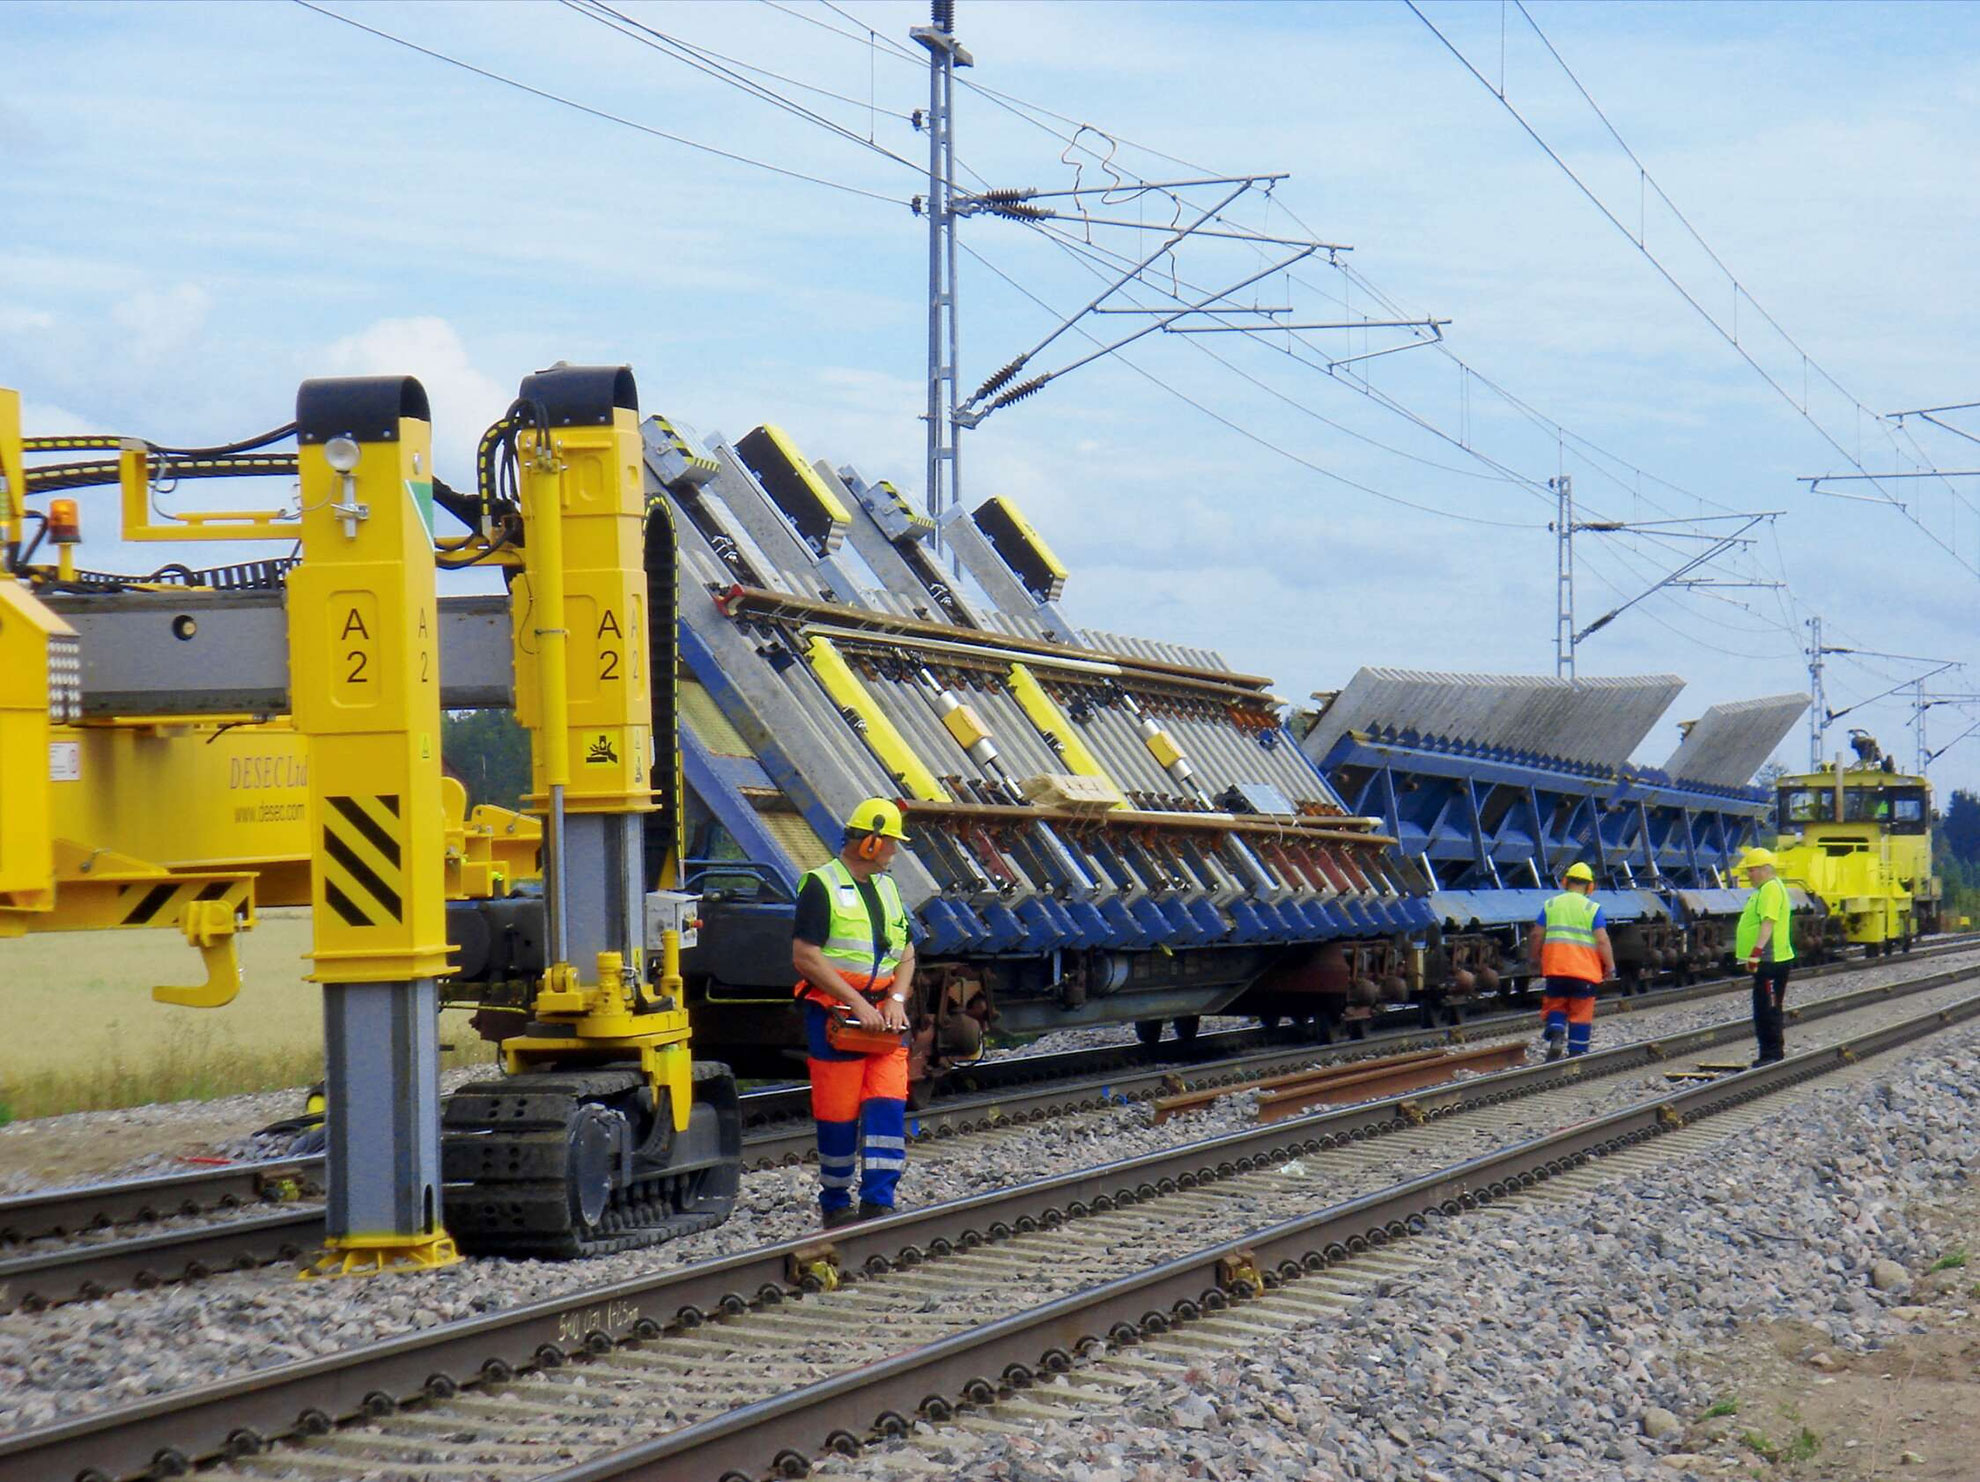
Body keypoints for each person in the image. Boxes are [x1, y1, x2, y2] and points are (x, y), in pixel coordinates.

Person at [792, 797, 918, 1229]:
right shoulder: (820, 885)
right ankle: (836, 1201)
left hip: (883, 1021)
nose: (895, 852)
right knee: (838, 1113)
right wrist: (860, 1005)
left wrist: (895, 1001)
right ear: (870, 843)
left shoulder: (886, 888)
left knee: (887, 1106)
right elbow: (806, 957)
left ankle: (879, 1202)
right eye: (891, 843)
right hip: (835, 1020)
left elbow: (906, 954)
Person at [1527, 862, 1615, 1061]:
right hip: (1585, 973)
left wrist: (1534, 958)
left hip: (1555, 969)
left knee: (1556, 1005)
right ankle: (1577, 1055)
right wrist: (1610, 966)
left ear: (1565, 881)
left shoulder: (1551, 904)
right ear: (1590, 886)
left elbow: (1536, 935)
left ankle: (1557, 1033)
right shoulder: (1592, 909)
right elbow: (1602, 940)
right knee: (1580, 1013)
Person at [1736, 846, 1795, 1065]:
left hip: (1770, 961)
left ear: (1764, 869)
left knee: (1767, 1009)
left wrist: (1755, 954)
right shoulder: (1768, 888)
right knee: (1765, 1007)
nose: (1748, 875)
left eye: (1751, 870)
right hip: (1770, 960)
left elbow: (1767, 923)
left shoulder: (1770, 889)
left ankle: (1772, 1055)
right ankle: (1769, 1053)